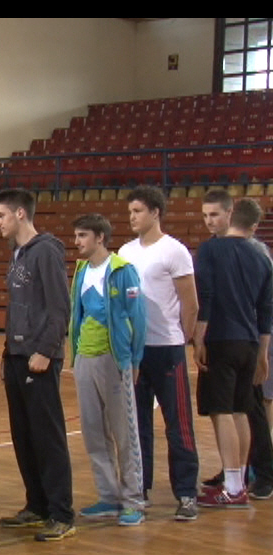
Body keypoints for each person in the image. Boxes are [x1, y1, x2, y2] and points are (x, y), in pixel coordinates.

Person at [0, 189, 76, 543]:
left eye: (1, 215)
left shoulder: (46, 251)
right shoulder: (17, 253)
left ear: (20, 214)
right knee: (24, 435)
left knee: (47, 436)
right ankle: (37, 505)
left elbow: (60, 307)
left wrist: (46, 350)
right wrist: (6, 352)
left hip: (40, 358)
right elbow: (17, 309)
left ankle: (61, 513)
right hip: (17, 355)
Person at [118, 186, 200, 522]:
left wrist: (182, 338)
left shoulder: (174, 251)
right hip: (136, 352)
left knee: (178, 424)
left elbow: (190, 303)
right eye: (130, 212)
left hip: (167, 349)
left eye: (138, 211)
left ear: (155, 212)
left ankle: (186, 493)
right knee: (137, 426)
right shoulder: (125, 251)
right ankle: (140, 490)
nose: (132, 217)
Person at [194, 198, 273, 509]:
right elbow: (266, 309)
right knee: (241, 411)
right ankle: (237, 483)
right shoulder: (262, 255)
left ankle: (233, 486)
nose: (209, 221)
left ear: (230, 215)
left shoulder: (211, 249)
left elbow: (206, 297)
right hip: (251, 342)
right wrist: (263, 353)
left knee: (221, 411)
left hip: (221, 339)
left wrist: (198, 338)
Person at [70, 214, 147, 527]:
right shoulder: (80, 271)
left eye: (83, 235)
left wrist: (134, 360)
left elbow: (138, 317)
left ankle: (133, 500)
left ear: (100, 237)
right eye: (76, 235)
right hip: (84, 358)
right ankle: (108, 496)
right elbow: (78, 313)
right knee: (93, 431)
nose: (77, 241)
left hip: (114, 359)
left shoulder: (122, 271)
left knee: (124, 432)